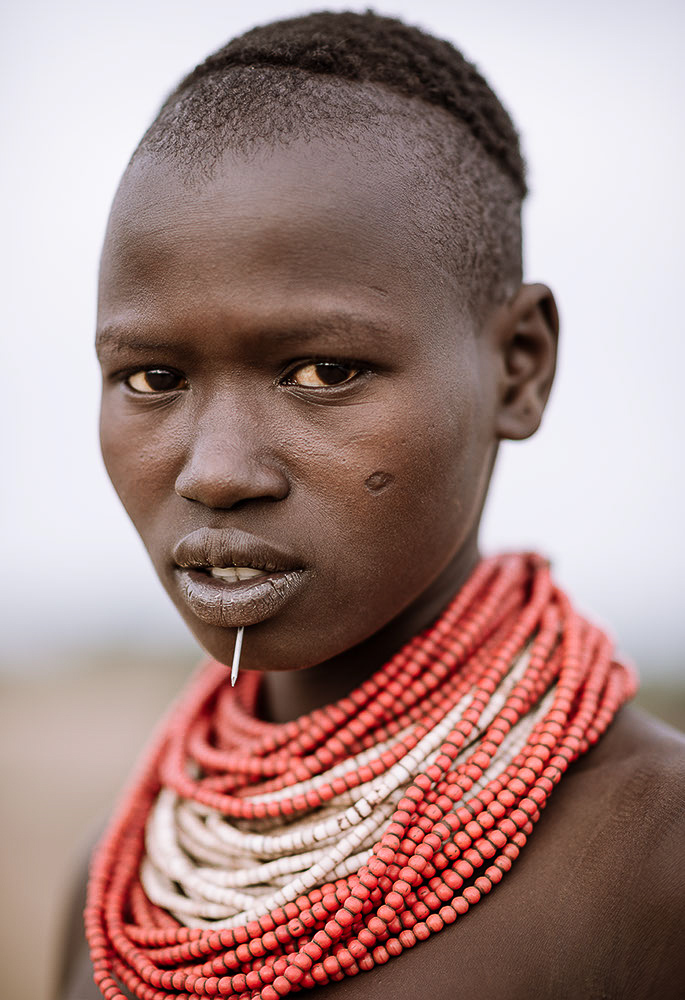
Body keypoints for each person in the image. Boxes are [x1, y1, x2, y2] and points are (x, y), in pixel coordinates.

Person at [59, 11, 685, 1000]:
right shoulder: (120, 891)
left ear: (518, 367)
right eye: (152, 378)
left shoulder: (652, 862)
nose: (217, 473)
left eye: (323, 369)